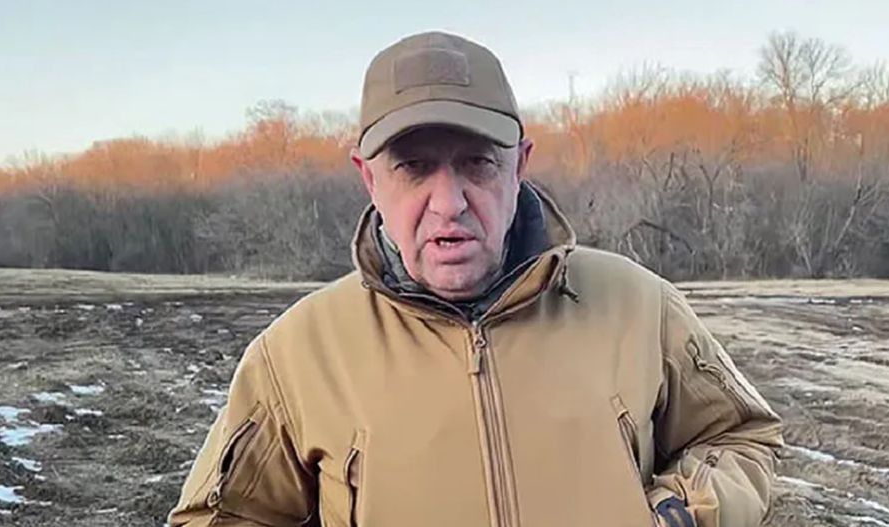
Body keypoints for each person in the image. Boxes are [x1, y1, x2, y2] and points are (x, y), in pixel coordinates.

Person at [168, 31, 783, 527]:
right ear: (369, 179)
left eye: (478, 164)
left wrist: (679, 515)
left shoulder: (638, 305)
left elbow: (741, 435)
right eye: (414, 167)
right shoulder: (298, 354)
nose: (449, 203)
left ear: (519, 167)